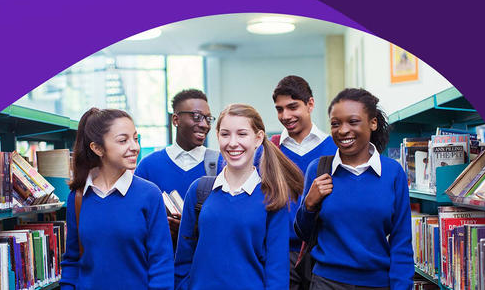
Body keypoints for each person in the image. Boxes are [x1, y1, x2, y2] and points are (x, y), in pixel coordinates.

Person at [294, 89, 414, 290]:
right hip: (325, 283)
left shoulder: (393, 173)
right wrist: (309, 205)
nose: (342, 130)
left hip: (378, 284)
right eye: (335, 123)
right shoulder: (318, 169)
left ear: (372, 123)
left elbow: (401, 242)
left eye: (353, 121)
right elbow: (303, 234)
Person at [174, 103, 303, 290]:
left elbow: (277, 272)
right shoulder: (199, 191)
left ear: (258, 139)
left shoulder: (272, 198)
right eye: (225, 134)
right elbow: (183, 260)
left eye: (242, 134)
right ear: (217, 136)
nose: (233, 143)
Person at [60, 108, 174, 290]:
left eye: (135, 139)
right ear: (97, 148)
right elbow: (73, 260)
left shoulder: (149, 194)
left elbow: (161, 262)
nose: (135, 147)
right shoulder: (78, 197)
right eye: (123, 140)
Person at [272, 75, 337, 290]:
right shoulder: (270, 151)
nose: (285, 115)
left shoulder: (335, 149)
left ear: (310, 104)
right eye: (280, 109)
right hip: (279, 254)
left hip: (323, 253)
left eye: (292, 107)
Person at [134, 89, 218, 246]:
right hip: (161, 262)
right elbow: (135, 219)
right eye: (197, 117)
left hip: (206, 263)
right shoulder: (148, 166)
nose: (205, 125)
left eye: (208, 119)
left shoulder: (220, 165)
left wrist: (189, 230)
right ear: (175, 119)